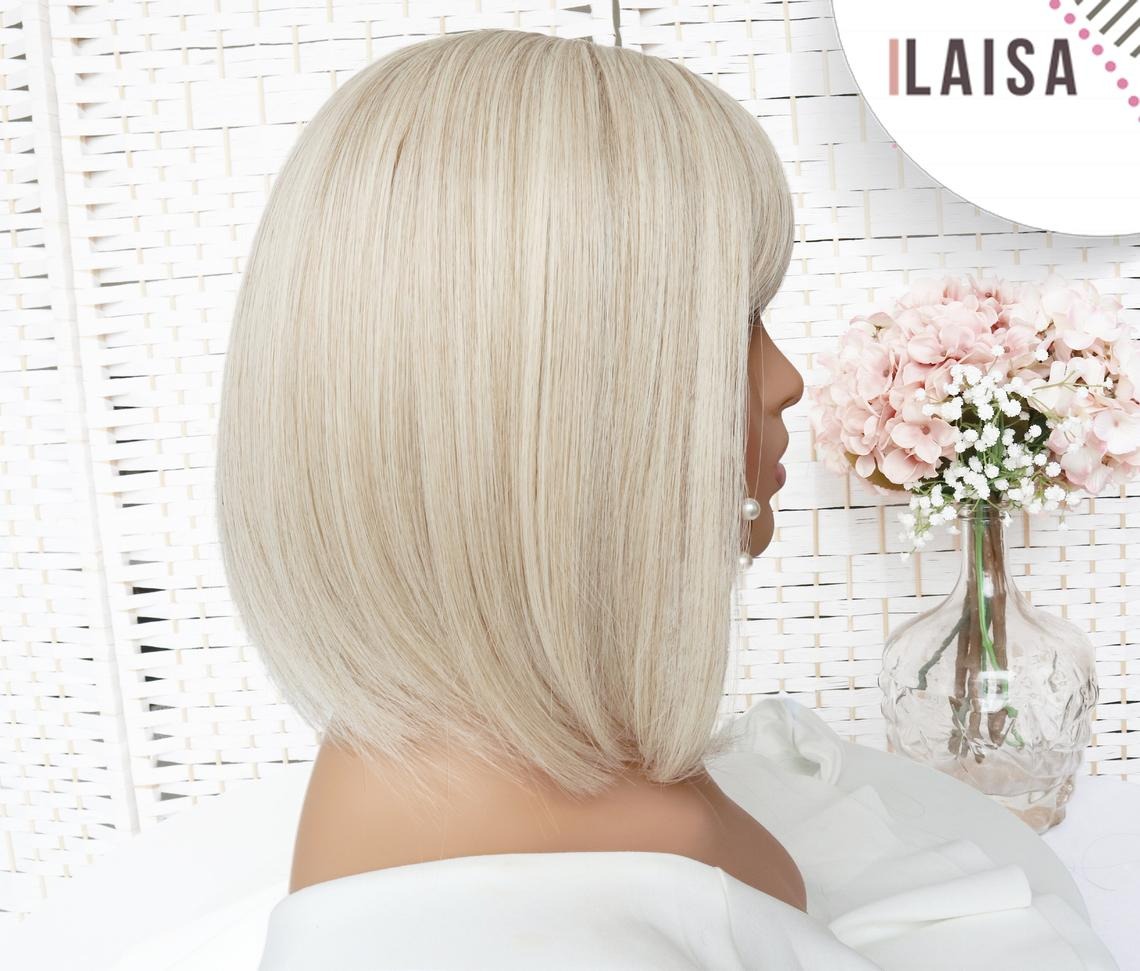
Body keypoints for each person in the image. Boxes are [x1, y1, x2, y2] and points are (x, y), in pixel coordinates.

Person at [216, 27, 1118, 970]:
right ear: (564, 403)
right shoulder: (614, 852)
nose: (786, 379)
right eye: (736, 323)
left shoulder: (438, 763)